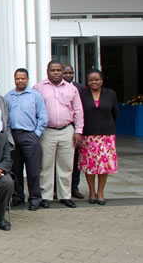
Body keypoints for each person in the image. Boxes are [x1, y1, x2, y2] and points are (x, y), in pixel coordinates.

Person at [33, 60, 84, 209]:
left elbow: (78, 111)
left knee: (66, 165)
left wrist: (78, 131)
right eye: (53, 70)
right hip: (47, 131)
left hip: (67, 130)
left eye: (58, 70)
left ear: (62, 72)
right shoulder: (38, 88)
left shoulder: (71, 89)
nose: (56, 73)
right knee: (45, 165)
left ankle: (65, 196)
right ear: (47, 71)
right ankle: (46, 196)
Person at [4, 68, 48, 211]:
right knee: (15, 169)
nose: (20, 81)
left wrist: (36, 134)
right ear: (14, 79)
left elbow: (43, 117)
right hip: (14, 136)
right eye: (17, 78)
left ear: (27, 79)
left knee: (33, 169)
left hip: (30, 135)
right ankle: (17, 197)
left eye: (23, 78)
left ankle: (35, 197)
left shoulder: (35, 96)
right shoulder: (8, 96)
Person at [78, 69, 119, 205]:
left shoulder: (110, 94)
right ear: (88, 82)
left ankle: (100, 192)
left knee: (104, 165)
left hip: (106, 135)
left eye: (97, 79)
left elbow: (115, 112)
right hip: (88, 135)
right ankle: (92, 191)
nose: (94, 82)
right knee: (89, 166)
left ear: (101, 81)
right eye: (91, 80)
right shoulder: (82, 94)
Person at [63, 64, 85, 199]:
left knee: (75, 160)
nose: (68, 75)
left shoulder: (81, 89)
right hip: (62, 128)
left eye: (70, 73)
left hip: (75, 129)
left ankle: (74, 188)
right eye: (65, 73)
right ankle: (57, 189)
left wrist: (80, 130)